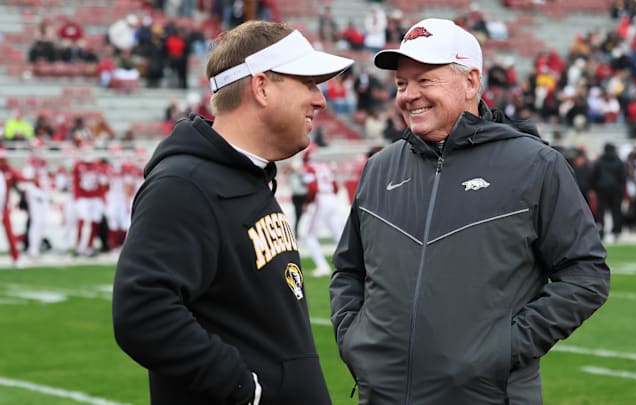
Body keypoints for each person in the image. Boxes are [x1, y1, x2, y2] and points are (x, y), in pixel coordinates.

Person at [329, 18, 610, 404]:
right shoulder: (380, 167)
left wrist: (501, 349)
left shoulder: (535, 165)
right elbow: (349, 270)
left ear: (471, 82)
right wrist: (353, 339)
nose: (409, 95)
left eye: (425, 81)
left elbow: (586, 274)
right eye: (401, 84)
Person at [112, 20, 353, 405]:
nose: (320, 99)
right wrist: (244, 389)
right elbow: (141, 312)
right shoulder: (184, 185)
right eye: (307, 83)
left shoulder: (247, 176)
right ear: (261, 87)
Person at [300, 144, 344, 277]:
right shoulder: (325, 166)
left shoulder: (309, 168)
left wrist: (308, 202)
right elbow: (335, 186)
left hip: (321, 199)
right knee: (339, 235)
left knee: (310, 235)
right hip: (331, 197)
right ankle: (352, 262)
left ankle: (322, 266)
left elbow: (313, 188)